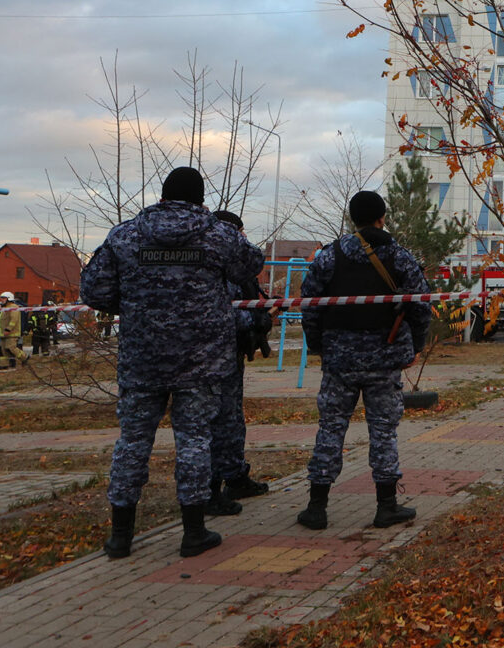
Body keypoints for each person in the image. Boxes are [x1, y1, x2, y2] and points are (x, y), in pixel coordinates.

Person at [80, 166, 265, 558]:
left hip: (141, 362)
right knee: (195, 441)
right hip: (200, 362)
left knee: (131, 442)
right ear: (200, 199)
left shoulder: (125, 235)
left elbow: (93, 291)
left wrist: (136, 303)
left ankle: (120, 537)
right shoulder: (220, 235)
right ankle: (194, 532)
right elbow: (251, 265)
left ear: (162, 196)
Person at [296, 190, 431, 530]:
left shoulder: (330, 256)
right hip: (384, 361)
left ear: (352, 219)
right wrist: (415, 345)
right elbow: (420, 304)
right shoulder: (400, 257)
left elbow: (309, 305)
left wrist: (318, 346)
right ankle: (386, 506)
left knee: (330, 428)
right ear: (382, 218)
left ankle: (316, 507)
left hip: (339, 361)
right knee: (383, 431)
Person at [205, 210, 274, 516]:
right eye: (241, 232)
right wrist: (255, 320)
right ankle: (212, 488)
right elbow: (226, 311)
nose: (244, 238)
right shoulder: (221, 264)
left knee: (231, 418)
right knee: (218, 420)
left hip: (229, 354)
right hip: (215, 355)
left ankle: (235, 476)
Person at [0, 292, 25, 367]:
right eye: (1, 298)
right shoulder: (5, 308)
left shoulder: (14, 307)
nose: (2, 300)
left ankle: (25, 358)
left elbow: (13, 320)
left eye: (3, 298)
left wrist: (8, 329)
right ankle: (5, 365)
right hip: (3, 334)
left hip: (12, 333)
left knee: (12, 348)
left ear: (9, 299)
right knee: (4, 350)